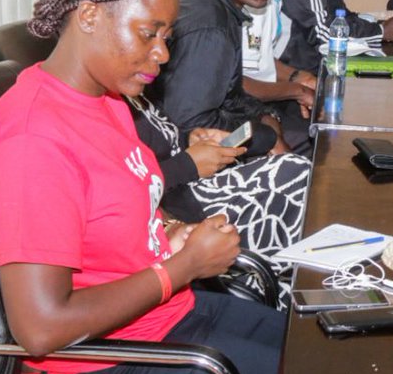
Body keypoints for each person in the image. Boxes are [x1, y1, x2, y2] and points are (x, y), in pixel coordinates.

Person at [0, 0, 283, 374]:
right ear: (89, 16)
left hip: (165, 316)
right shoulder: (33, 137)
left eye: (166, 34)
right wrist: (182, 267)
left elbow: (119, 205)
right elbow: (41, 328)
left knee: (323, 362)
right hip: (93, 371)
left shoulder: (106, 100)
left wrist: (170, 231)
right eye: (149, 33)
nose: (162, 53)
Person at [126, 94, 310, 303]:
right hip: (171, 208)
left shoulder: (129, 93)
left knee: (294, 171)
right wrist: (187, 164)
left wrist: (188, 140)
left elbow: (160, 145)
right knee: (292, 175)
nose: (160, 58)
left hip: (185, 183)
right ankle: (286, 300)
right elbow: (125, 190)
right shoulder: (100, 111)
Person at [151, 0, 302, 154]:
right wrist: (265, 137)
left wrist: (264, 115)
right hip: (184, 153)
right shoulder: (211, 31)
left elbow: (229, 94)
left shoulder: (215, 3)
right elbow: (191, 125)